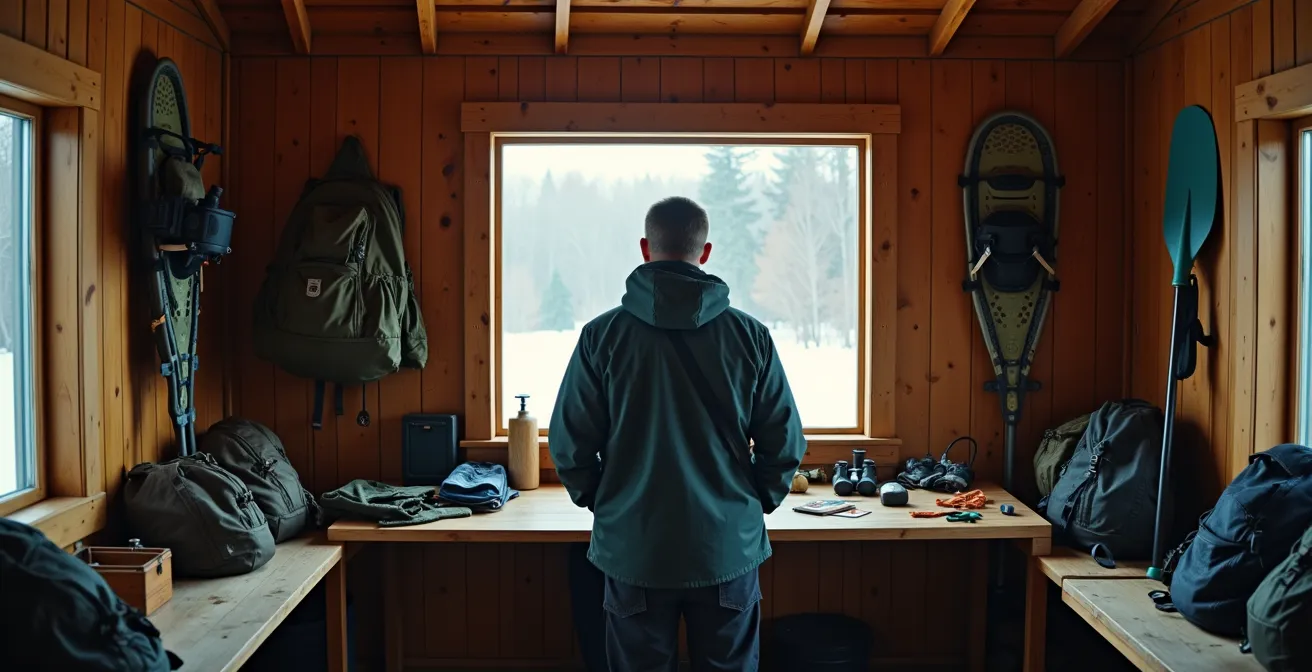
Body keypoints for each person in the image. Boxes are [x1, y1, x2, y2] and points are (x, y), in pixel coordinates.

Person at [549, 196, 808, 671]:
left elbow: (569, 447)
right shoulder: (750, 337)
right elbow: (784, 444)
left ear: (646, 248)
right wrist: (754, 502)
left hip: (635, 548)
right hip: (727, 545)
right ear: (704, 252)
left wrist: (604, 501)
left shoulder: (600, 337)